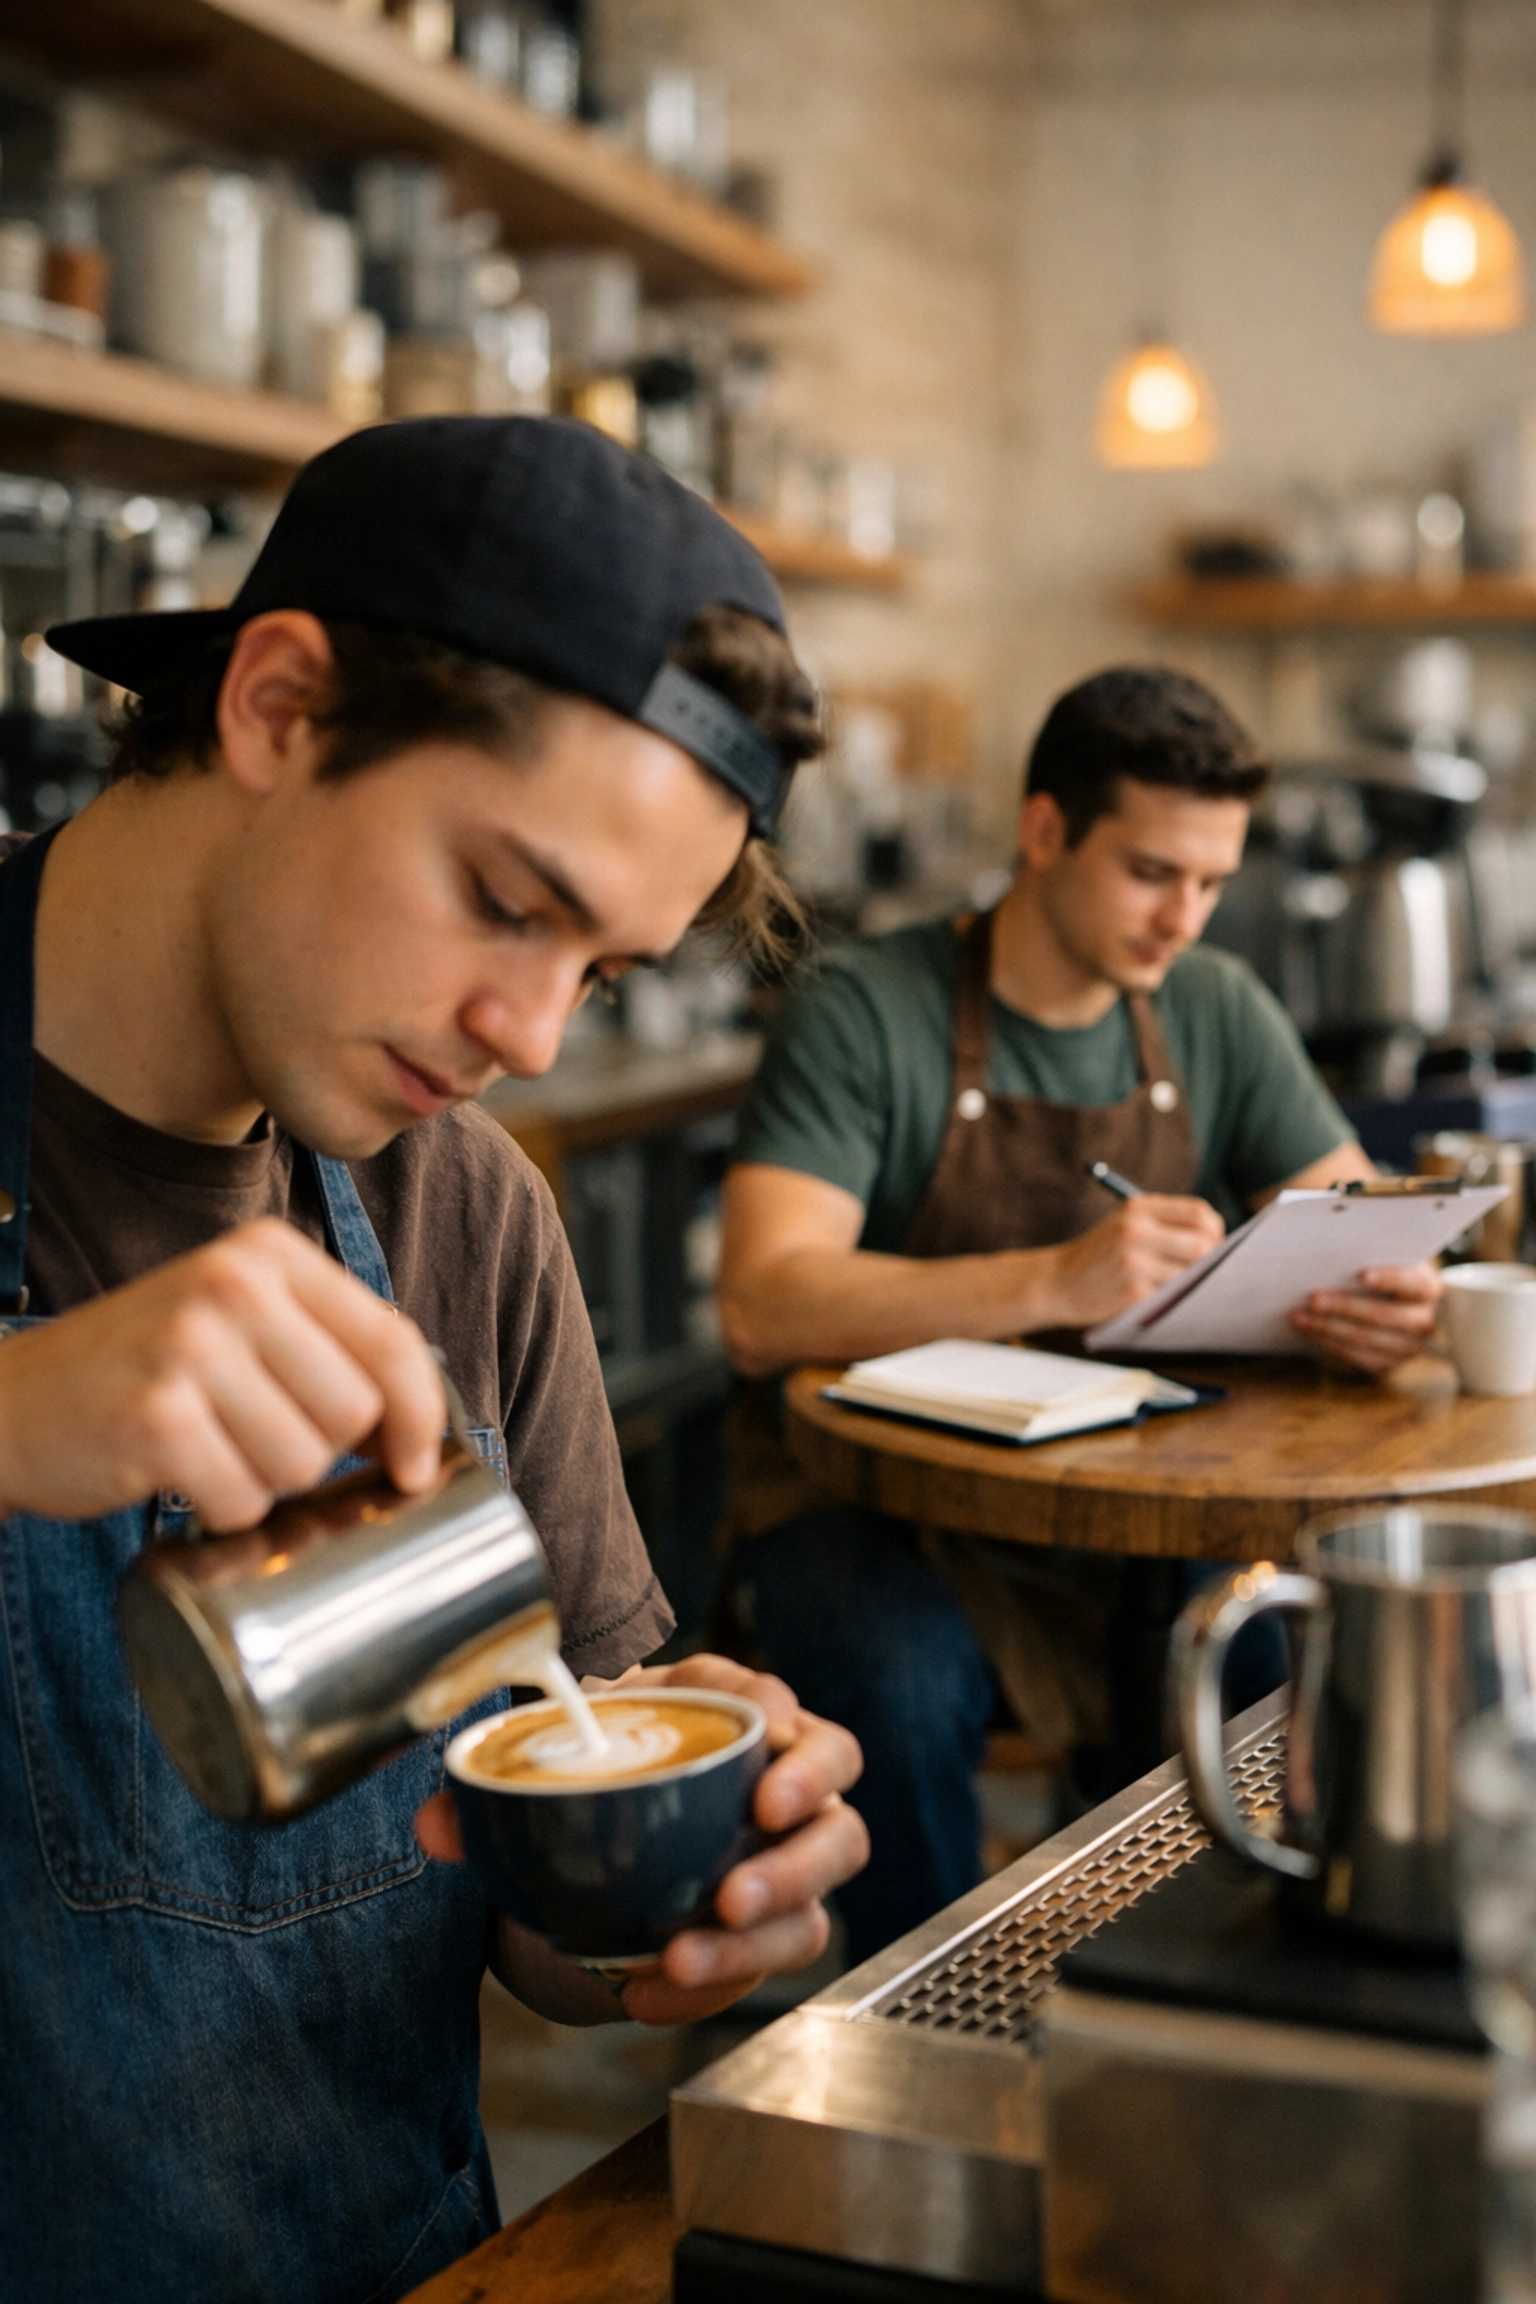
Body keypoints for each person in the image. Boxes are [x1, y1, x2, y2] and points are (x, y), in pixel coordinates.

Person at [0, 416, 869, 2304]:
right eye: (507, 901)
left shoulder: (465, 1213)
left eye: (604, 973)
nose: (535, 1037)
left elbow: (529, 1902)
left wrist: (681, 1895)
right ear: (282, 703)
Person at [717, 664, 1441, 1964]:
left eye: (1212, 881)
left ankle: (1190, 2012)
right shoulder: (865, 1006)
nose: (1185, 916)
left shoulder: (1211, 1004)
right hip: (879, 1510)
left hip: (1131, 1503)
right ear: (1044, 830)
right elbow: (764, 1304)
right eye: (1153, 872)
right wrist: (1056, 1277)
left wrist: (1384, 1299)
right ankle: (930, 2042)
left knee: (1281, 1653)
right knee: (897, 1685)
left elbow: (1351, 1212)